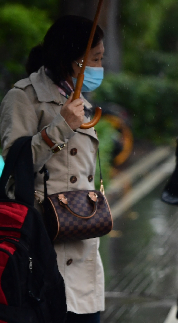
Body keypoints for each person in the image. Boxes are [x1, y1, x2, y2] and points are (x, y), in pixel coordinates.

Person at [0, 16, 107, 323]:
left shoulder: (76, 98)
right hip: (45, 248)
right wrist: (59, 129)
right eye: (96, 59)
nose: (101, 67)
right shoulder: (23, 97)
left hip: (83, 241)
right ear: (73, 61)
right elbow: (15, 169)